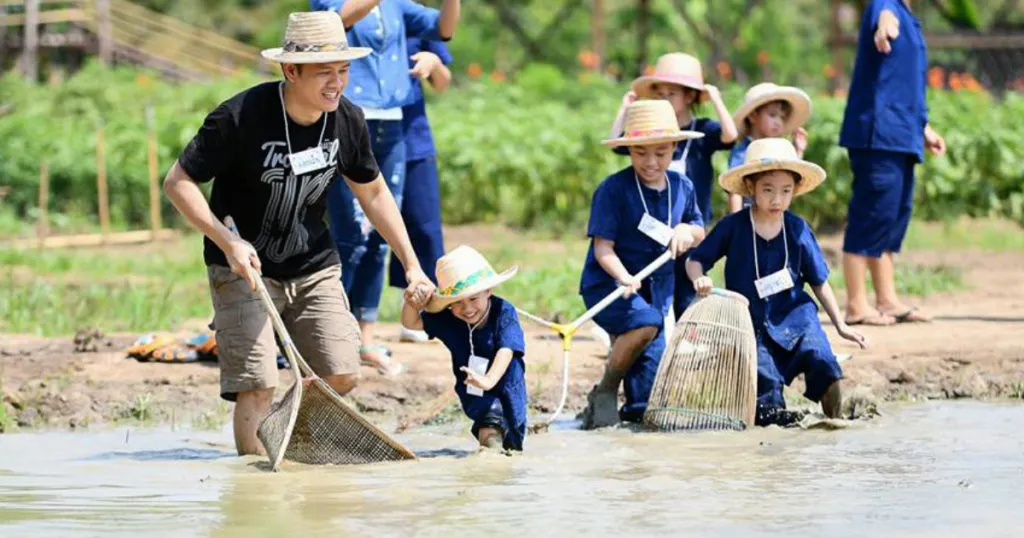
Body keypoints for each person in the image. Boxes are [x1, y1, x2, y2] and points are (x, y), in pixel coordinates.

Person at [162, 11, 434, 456]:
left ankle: (281, 436)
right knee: (258, 383)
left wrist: (412, 264)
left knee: (342, 373)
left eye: (343, 70)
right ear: (291, 70)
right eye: (324, 71)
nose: (337, 82)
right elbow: (178, 182)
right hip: (242, 267)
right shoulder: (239, 117)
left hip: (312, 265)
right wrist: (227, 240)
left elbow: (375, 193)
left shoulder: (346, 120)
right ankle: (255, 493)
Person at [311, 0, 462, 375]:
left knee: (382, 236)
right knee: (349, 234)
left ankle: (365, 337)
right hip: (349, 115)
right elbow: (336, 21)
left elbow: (443, 28)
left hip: (392, 123)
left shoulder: (398, 6)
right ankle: (332, 335)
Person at [685, 138, 867, 425]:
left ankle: (837, 421)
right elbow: (695, 260)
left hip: (797, 317)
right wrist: (700, 279)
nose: (776, 199)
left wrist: (841, 325)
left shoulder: (797, 228)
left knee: (823, 359)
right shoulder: (733, 227)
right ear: (750, 188)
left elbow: (819, 281)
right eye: (768, 190)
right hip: (750, 324)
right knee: (766, 392)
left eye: (785, 191)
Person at [579, 99, 707, 429]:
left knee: (645, 401)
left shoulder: (683, 186)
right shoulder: (613, 190)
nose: (651, 162)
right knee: (645, 322)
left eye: (661, 153)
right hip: (610, 284)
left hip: (655, 290)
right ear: (629, 150)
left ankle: (617, 410)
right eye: (641, 153)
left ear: (675, 148)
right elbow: (602, 248)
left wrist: (685, 231)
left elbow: (698, 227)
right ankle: (606, 391)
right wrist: (624, 278)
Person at [608, 52, 738, 329]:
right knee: (653, 281)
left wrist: (715, 98)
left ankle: (688, 334)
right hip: (654, 227)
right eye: (661, 94)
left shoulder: (702, 131)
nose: (666, 98)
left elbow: (730, 136)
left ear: (690, 96)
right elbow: (619, 142)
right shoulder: (648, 134)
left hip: (691, 225)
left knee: (689, 283)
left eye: (673, 94)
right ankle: (641, 331)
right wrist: (625, 109)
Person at [838, 0, 946, 326]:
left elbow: (903, 83)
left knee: (892, 216)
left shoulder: (909, 18)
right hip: (878, 133)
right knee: (871, 213)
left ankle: (887, 299)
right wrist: (884, 26)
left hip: (902, 134)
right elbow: (883, 16)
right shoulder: (885, 6)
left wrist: (923, 127)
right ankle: (856, 304)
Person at [401, 245, 528, 451]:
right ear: (448, 303)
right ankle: (488, 458)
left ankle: (497, 469)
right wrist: (412, 304)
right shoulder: (448, 318)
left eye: (473, 298)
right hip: (473, 387)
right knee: (490, 422)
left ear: (488, 291)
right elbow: (411, 323)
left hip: (507, 383)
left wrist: (488, 380)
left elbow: (507, 349)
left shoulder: (504, 312)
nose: (467, 309)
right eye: (457, 302)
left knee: (513, 441)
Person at [390, 36, 454, 345]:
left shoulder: (414, 18)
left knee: (425, 229)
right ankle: (355, 320)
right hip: (364, 138)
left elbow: (443, 82)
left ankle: (420, 314)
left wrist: (435, 63)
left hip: (414, 140)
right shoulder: (346, 14)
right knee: (360, 238)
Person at [726, 82, 812, 213]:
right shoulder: (744, 151)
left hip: (775, 217)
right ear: (753, 116)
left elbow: (790, 177)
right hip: (750, 217)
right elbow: (735, 190)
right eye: (772, 115)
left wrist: (798, 150)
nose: (778, 122)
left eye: (782, 117)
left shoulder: (779, 149)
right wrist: (735, 222)